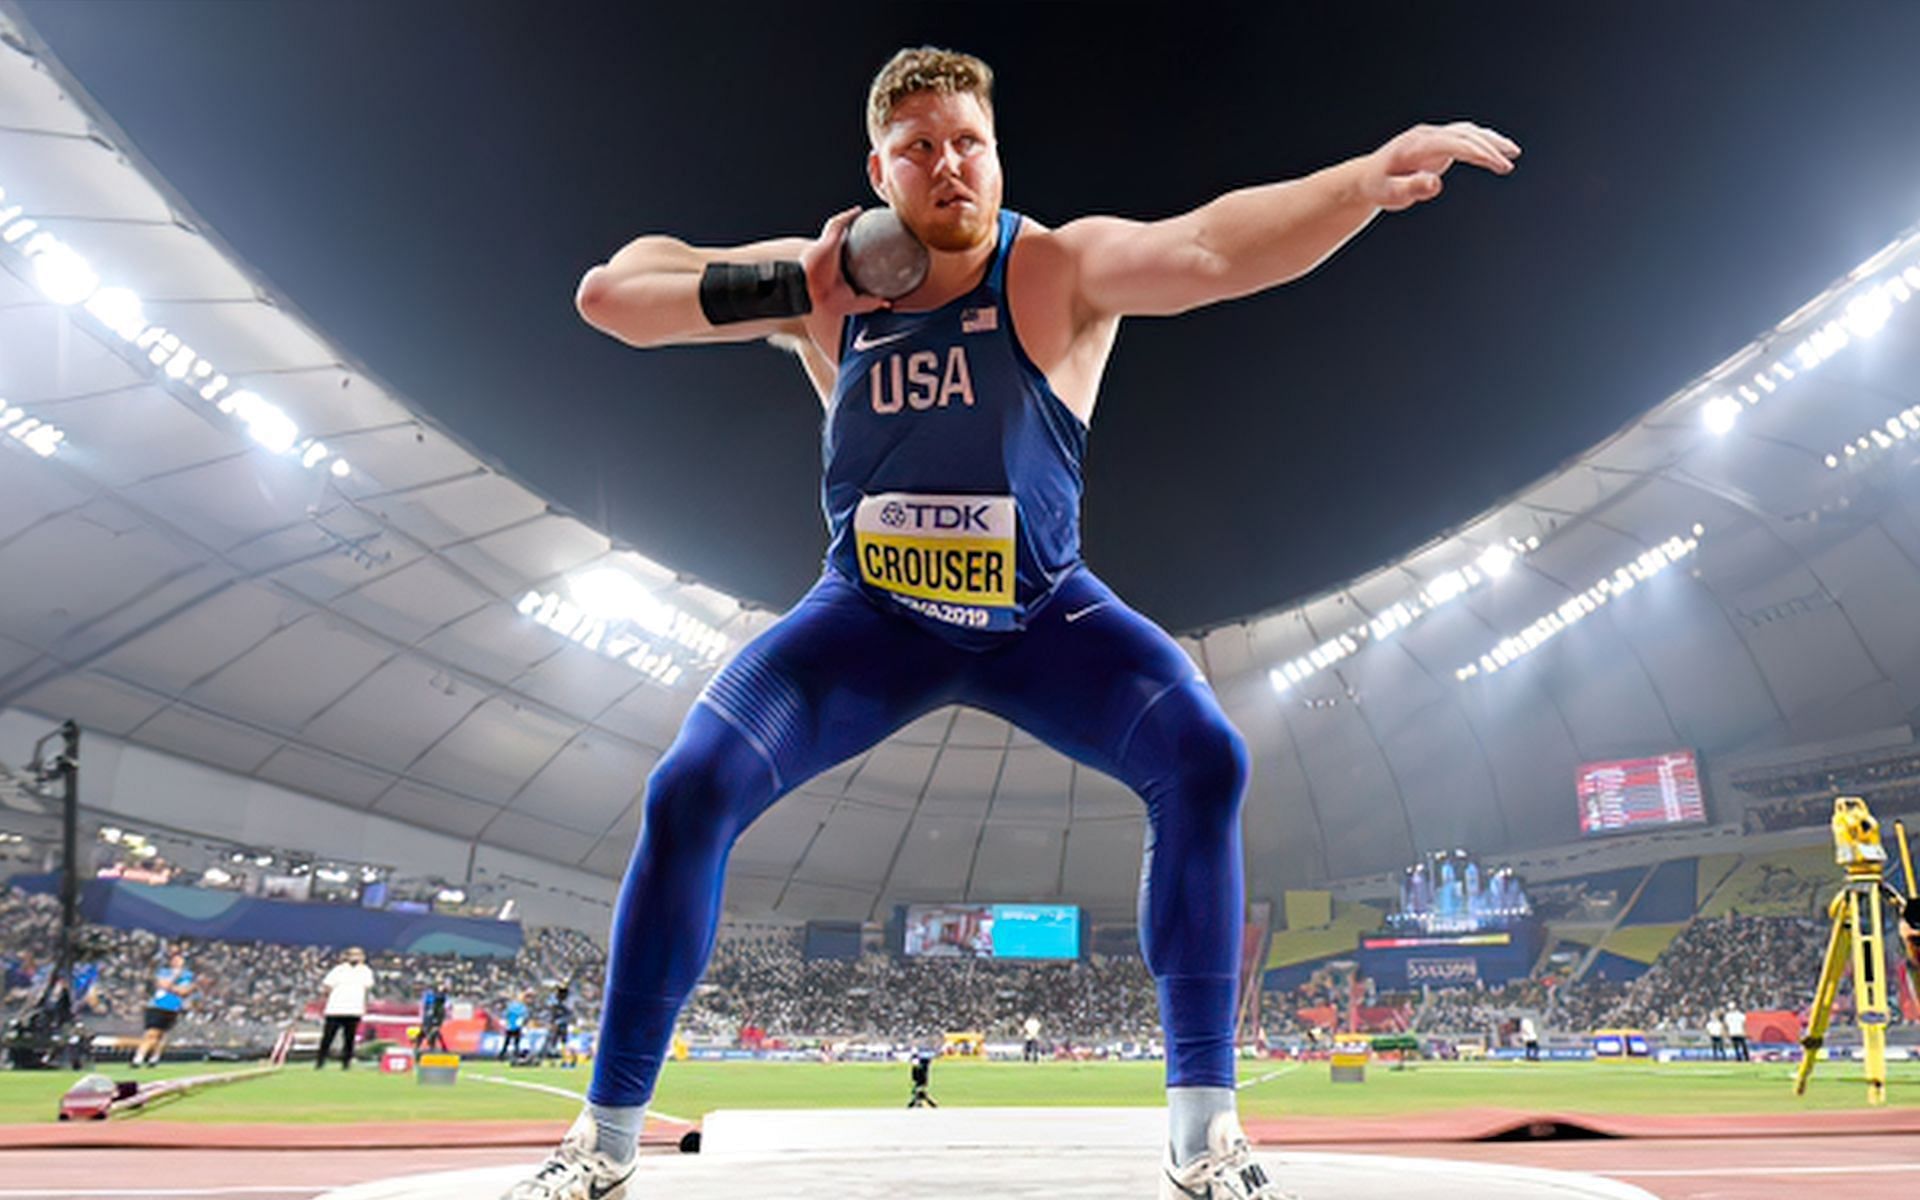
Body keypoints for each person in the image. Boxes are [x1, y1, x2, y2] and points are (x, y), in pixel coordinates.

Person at [508, 45, 1517, 1200]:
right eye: (920, 148)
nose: (950, 167)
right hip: (869, 623)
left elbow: (1211, 245)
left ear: (998, 153)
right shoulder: (825, 285)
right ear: (879, 170)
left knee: (1204, 757)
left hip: (1043, 621)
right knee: (688, 789)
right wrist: (804, 288)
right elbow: (615, 293)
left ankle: (1204, 1132)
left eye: (969, 142)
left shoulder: (1054, 269)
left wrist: (1360, 181)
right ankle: (605, 1138)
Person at [131, 948, 193, 1068]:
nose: (177, 962)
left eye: (180, 960)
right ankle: (139, 1057)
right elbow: (162, 984)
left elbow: (184, 991)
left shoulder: (187, 975)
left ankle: (154, 1058)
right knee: (151, 1033)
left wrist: (172, 988)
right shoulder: (164, 972)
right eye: (175, 959)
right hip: (157, 1005)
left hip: (173, 1007)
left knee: (162, 1035)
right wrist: (175, 985)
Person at [317, 946, 373, 1070]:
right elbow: (327, 986)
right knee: (328, 1037)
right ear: (347, 956)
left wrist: (364, 1006)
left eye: (358, 955)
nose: (355, 957)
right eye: (352, 954)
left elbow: (367, 989)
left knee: (349, 1038)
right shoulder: (338, 970)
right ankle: (320, 1061)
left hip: (354, 1009)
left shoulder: (365, 971)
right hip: (335, 1009)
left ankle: (346, 1063)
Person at [414, 982, 449, 1053]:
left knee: (433, 1032)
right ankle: (421, 1046)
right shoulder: (430, 996)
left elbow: (442, 1000)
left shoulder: (439, 999)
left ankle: (435, 1046)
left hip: (435, 1015)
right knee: (426, 1032)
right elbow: (426, 1005)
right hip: (430, 1016)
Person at [500, 991, 531, 1061]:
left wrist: (506, 1022)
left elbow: (505, 1014)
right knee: (516, 1042)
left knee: (507, 1042)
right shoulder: (522, 1007)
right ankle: (515, 1054)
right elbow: (525, 1016)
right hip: (516, 1027)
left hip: (510, 1026)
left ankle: (502, 1055)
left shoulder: (511, 1006)